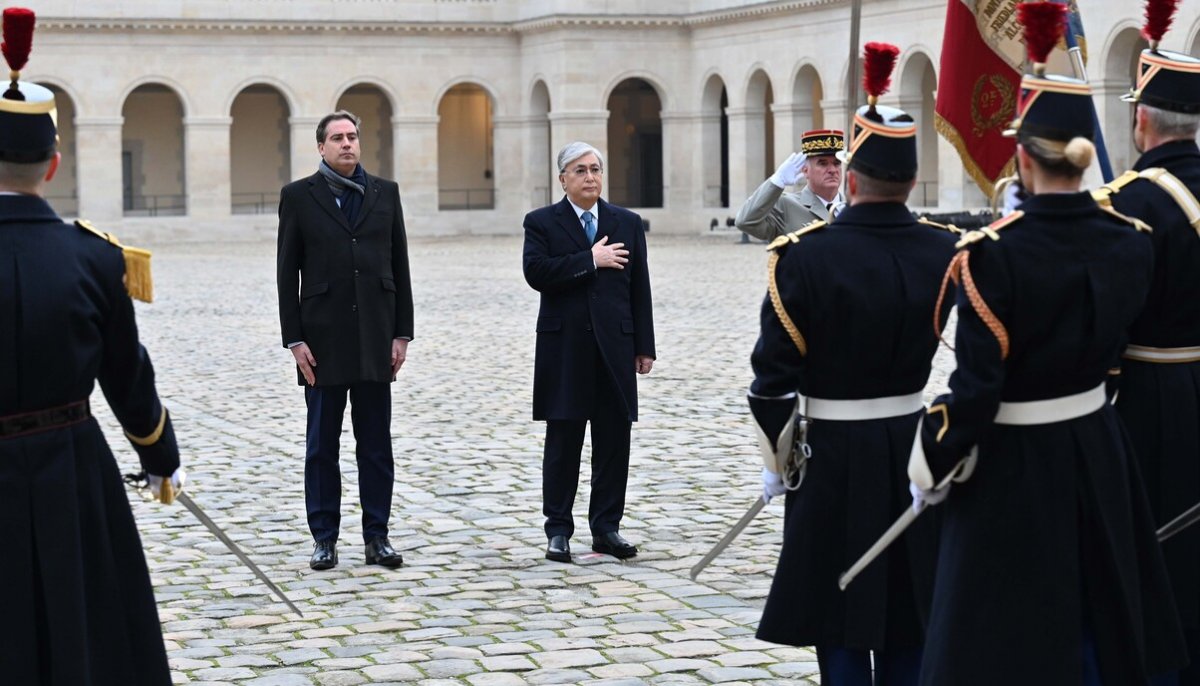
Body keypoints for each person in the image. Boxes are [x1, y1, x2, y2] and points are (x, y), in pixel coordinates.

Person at [908, 5, 1188, 683]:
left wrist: (931, 459)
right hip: (1099, 442)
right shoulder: (1130, 239)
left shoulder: (991, 255)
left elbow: (975, 389)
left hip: (1016, 456)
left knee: (1008, 617)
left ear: (1023, 154)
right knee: (1103, 595)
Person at [748, 42, 956, 685]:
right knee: (907, 601)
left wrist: (779, 464)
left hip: (831, 453)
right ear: (912, 181)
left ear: (854, 180)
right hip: (912, 447)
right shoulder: (945, 252)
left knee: (838, 607)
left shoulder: (803, 257)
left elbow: (772, 382)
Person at [0, 7, 183, 683]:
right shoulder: (96, 259)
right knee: (85, 627)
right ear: (52, 163)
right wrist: (159, 457)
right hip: (69, 468)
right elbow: (127, 379)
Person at [1092, 11, 1200, 682]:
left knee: (1156, 553)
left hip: (1153, 401)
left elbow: (1106, 330)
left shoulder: (1127, 203)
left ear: (1142, 123)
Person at [277, 110, 413, 571]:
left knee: (376, 444)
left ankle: (378, 537)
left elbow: (400, 267)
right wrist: (294, 340)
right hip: (322, 342)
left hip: (376, 337)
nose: (347, 144)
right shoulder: (298, 197)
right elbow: (286, 275)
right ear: (321, 147)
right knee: (322, 445)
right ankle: (325, 538)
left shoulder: (386, 194)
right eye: (337, 138)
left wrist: (402, 333)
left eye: (353, 136)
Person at [522, 141, 656, 563]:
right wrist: (589, 259)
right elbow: (536, 273)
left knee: (614, 440)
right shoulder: (541, 222)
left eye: (595, 169)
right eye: (579, 170)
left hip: (615, 347)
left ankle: (607, 528)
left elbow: (640, 287)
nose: (590, 177)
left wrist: (644, 346)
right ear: (563, 178)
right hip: (565, 349)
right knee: (564, 441)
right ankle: (558, 530)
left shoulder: (627, 222)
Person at [735, 129, 845, 241]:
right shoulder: (786, 206)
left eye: (837, 163)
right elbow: (745, 221)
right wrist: (777, 181)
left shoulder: (852, 208)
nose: (832, 170)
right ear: (805, 170)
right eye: (823, 164)